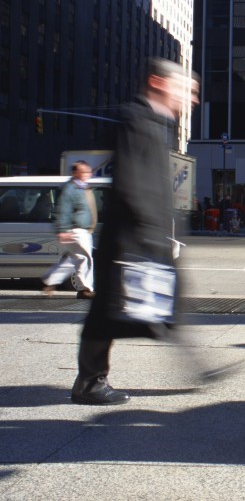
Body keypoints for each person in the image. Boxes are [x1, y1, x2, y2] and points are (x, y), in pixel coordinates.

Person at [70, 58, 199, 406]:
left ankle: (92, 380)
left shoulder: (153, 122)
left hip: (138, 234)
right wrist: (149, 232)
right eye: (185, 90)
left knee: (140, 308)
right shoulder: (136, 119)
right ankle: (90, 382)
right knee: (110, 312)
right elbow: (132, 182)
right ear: (158, 83)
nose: (192, 99)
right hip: (131, 237)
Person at [41, 161, 97, 300]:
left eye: (88, 172)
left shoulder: (81, 187)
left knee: (74, 258)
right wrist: (62, 229)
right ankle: (85, 289)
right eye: (83, 172)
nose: (87, 175)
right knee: (85, 259)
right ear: (75, 173)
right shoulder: (70, 189)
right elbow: (63, 210)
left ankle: (50, 280)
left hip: (81, 230)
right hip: (75, 230)